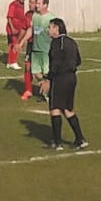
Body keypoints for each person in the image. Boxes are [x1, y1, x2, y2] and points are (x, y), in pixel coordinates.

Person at [39, 18, 88, 151]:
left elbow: (55, 64)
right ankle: (80, 139)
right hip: (72, 78)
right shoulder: (71, 41)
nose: (48, 30)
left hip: (60, 78)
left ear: (56, 28)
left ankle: (57, 143)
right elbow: (78, 60)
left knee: (55, 108)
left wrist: (48, 79)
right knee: (67, 109)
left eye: (50, 27)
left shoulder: (56, 43)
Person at [18, 0, 55, 101]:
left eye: (39, 4)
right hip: (35, 49)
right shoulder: (35, 16)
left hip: (46, 50)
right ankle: (47, 90)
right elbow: (32, 30)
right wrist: (22, 42)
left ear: (45, 5)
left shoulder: (51, 18)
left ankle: (50, 94)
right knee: (36, 73)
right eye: (36, 3)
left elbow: (56, 33)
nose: (36, 5)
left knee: (46, 73)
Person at [20, 0, 38, 100]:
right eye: (29, 2)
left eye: (32, 2)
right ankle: (28, 90)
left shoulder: (41, 16)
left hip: (40, 46)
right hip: (31, 45)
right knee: (27, 67)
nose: (29, 4)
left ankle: (47, 91)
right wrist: (19, 42)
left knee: (43, 70)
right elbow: (24, 29)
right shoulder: (27, 15)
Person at [5, 0, 27, 70]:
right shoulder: (13, 5)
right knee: (15, 43)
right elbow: (9, 17)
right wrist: (12, 28)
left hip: (19, 28)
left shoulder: (22, 5)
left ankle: (9, 62)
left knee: (13, 44)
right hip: (12, 28)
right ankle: (13, 62)